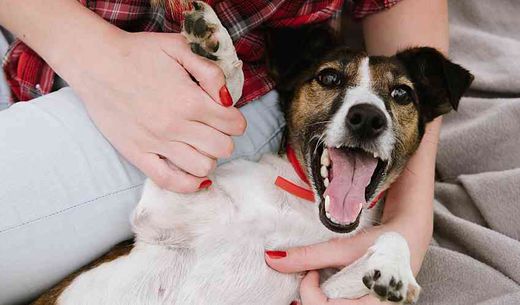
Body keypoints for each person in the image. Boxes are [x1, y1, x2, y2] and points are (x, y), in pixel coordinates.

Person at [0, 0, 447, 304]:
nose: (366, 114)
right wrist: (95, 52)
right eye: (332, 82)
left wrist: (409, 218)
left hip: (215, 88)